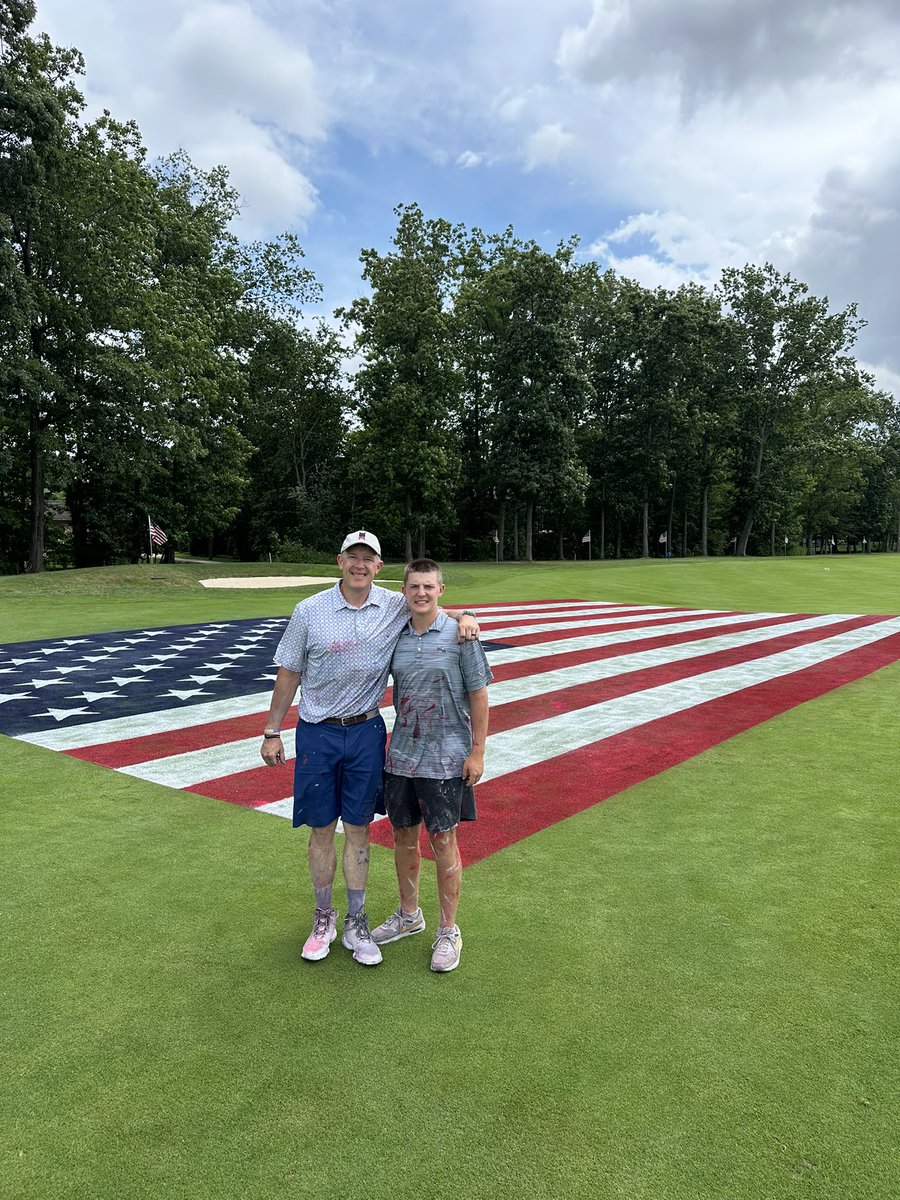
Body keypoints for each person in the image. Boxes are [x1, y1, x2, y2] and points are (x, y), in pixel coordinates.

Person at [260, 532, 479, 968]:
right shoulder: (310, 610)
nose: (360, 564)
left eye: (369, 559)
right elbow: (288, 672)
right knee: (321, 828)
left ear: (379, 567)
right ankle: (324, 918)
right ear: (340, 560)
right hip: (317, 731)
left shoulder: (393, 605)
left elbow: (432, 606)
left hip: (365, 732)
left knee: (359, 827)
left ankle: (357, 921)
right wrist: (271, 730)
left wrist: (467, 615)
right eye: (353, 557)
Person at [371, 558, 492, 973]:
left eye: (428, 586)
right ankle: (409, 915)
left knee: (444, 842)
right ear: (404, 591)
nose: (421, 593)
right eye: (413, 587)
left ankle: (448, 930)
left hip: (447, 757)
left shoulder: (462, 637)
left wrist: (477, 751)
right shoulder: (395, 635)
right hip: (402, 755)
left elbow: (479, 695)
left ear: (441, 590)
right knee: (403, 837)